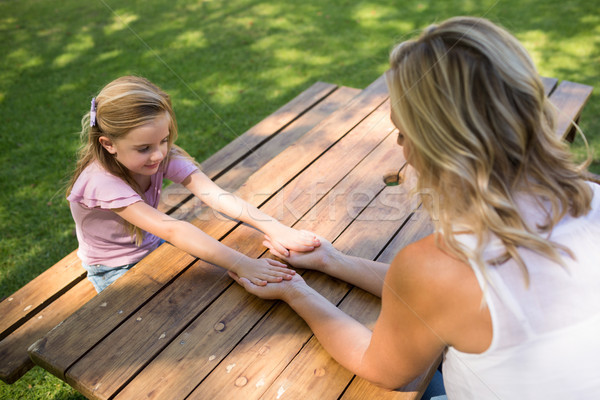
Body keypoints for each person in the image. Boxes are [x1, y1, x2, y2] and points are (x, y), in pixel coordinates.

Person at [229, 16, 600, 399]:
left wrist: (296, 292)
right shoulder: (590, 196)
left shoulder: (438, 264)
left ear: (440, 145)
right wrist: (332, 261)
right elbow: (441, 293)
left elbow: (384, 369)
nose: (400, 147)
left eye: (404, 133)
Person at [66, 76, 320, 293]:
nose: (159, 154)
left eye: (164, 140)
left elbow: (215, 195)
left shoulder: (156, 157)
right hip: (114, 268)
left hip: (153, 244)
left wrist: (275, 228)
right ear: (108, 144)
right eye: (144, 148)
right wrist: (243, 264)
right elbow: (175, 230)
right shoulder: (101, 182)